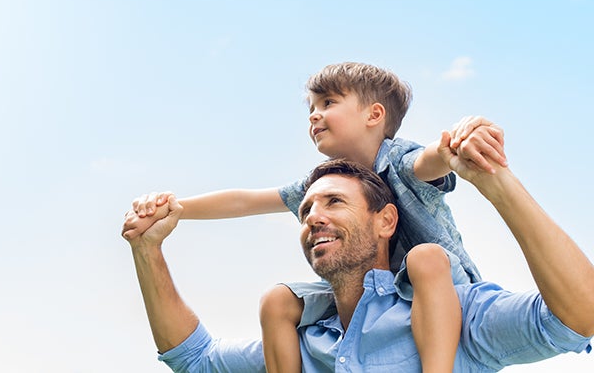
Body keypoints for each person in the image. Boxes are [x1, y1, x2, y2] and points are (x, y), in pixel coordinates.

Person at [128, 62, 506, 372]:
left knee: (425, 257)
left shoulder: (400, 160)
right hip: (367, 295)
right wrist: (177, 208)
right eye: (311, 108)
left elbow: (429, 163)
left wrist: (454, 144)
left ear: (375, 115)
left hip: (436, 286)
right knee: (278, 300)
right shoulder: (323, 186)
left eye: (327, 103)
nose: (314, 115)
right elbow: (246, 201)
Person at [121, 135, 594, 372]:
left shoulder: (451, 318)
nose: (312, 218)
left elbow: (578, 317)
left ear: (386, 221)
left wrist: (495, 180)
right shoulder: (302, 345)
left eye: (334, 202)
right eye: (305, 210)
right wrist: (148, 251)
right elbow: (194, 360)